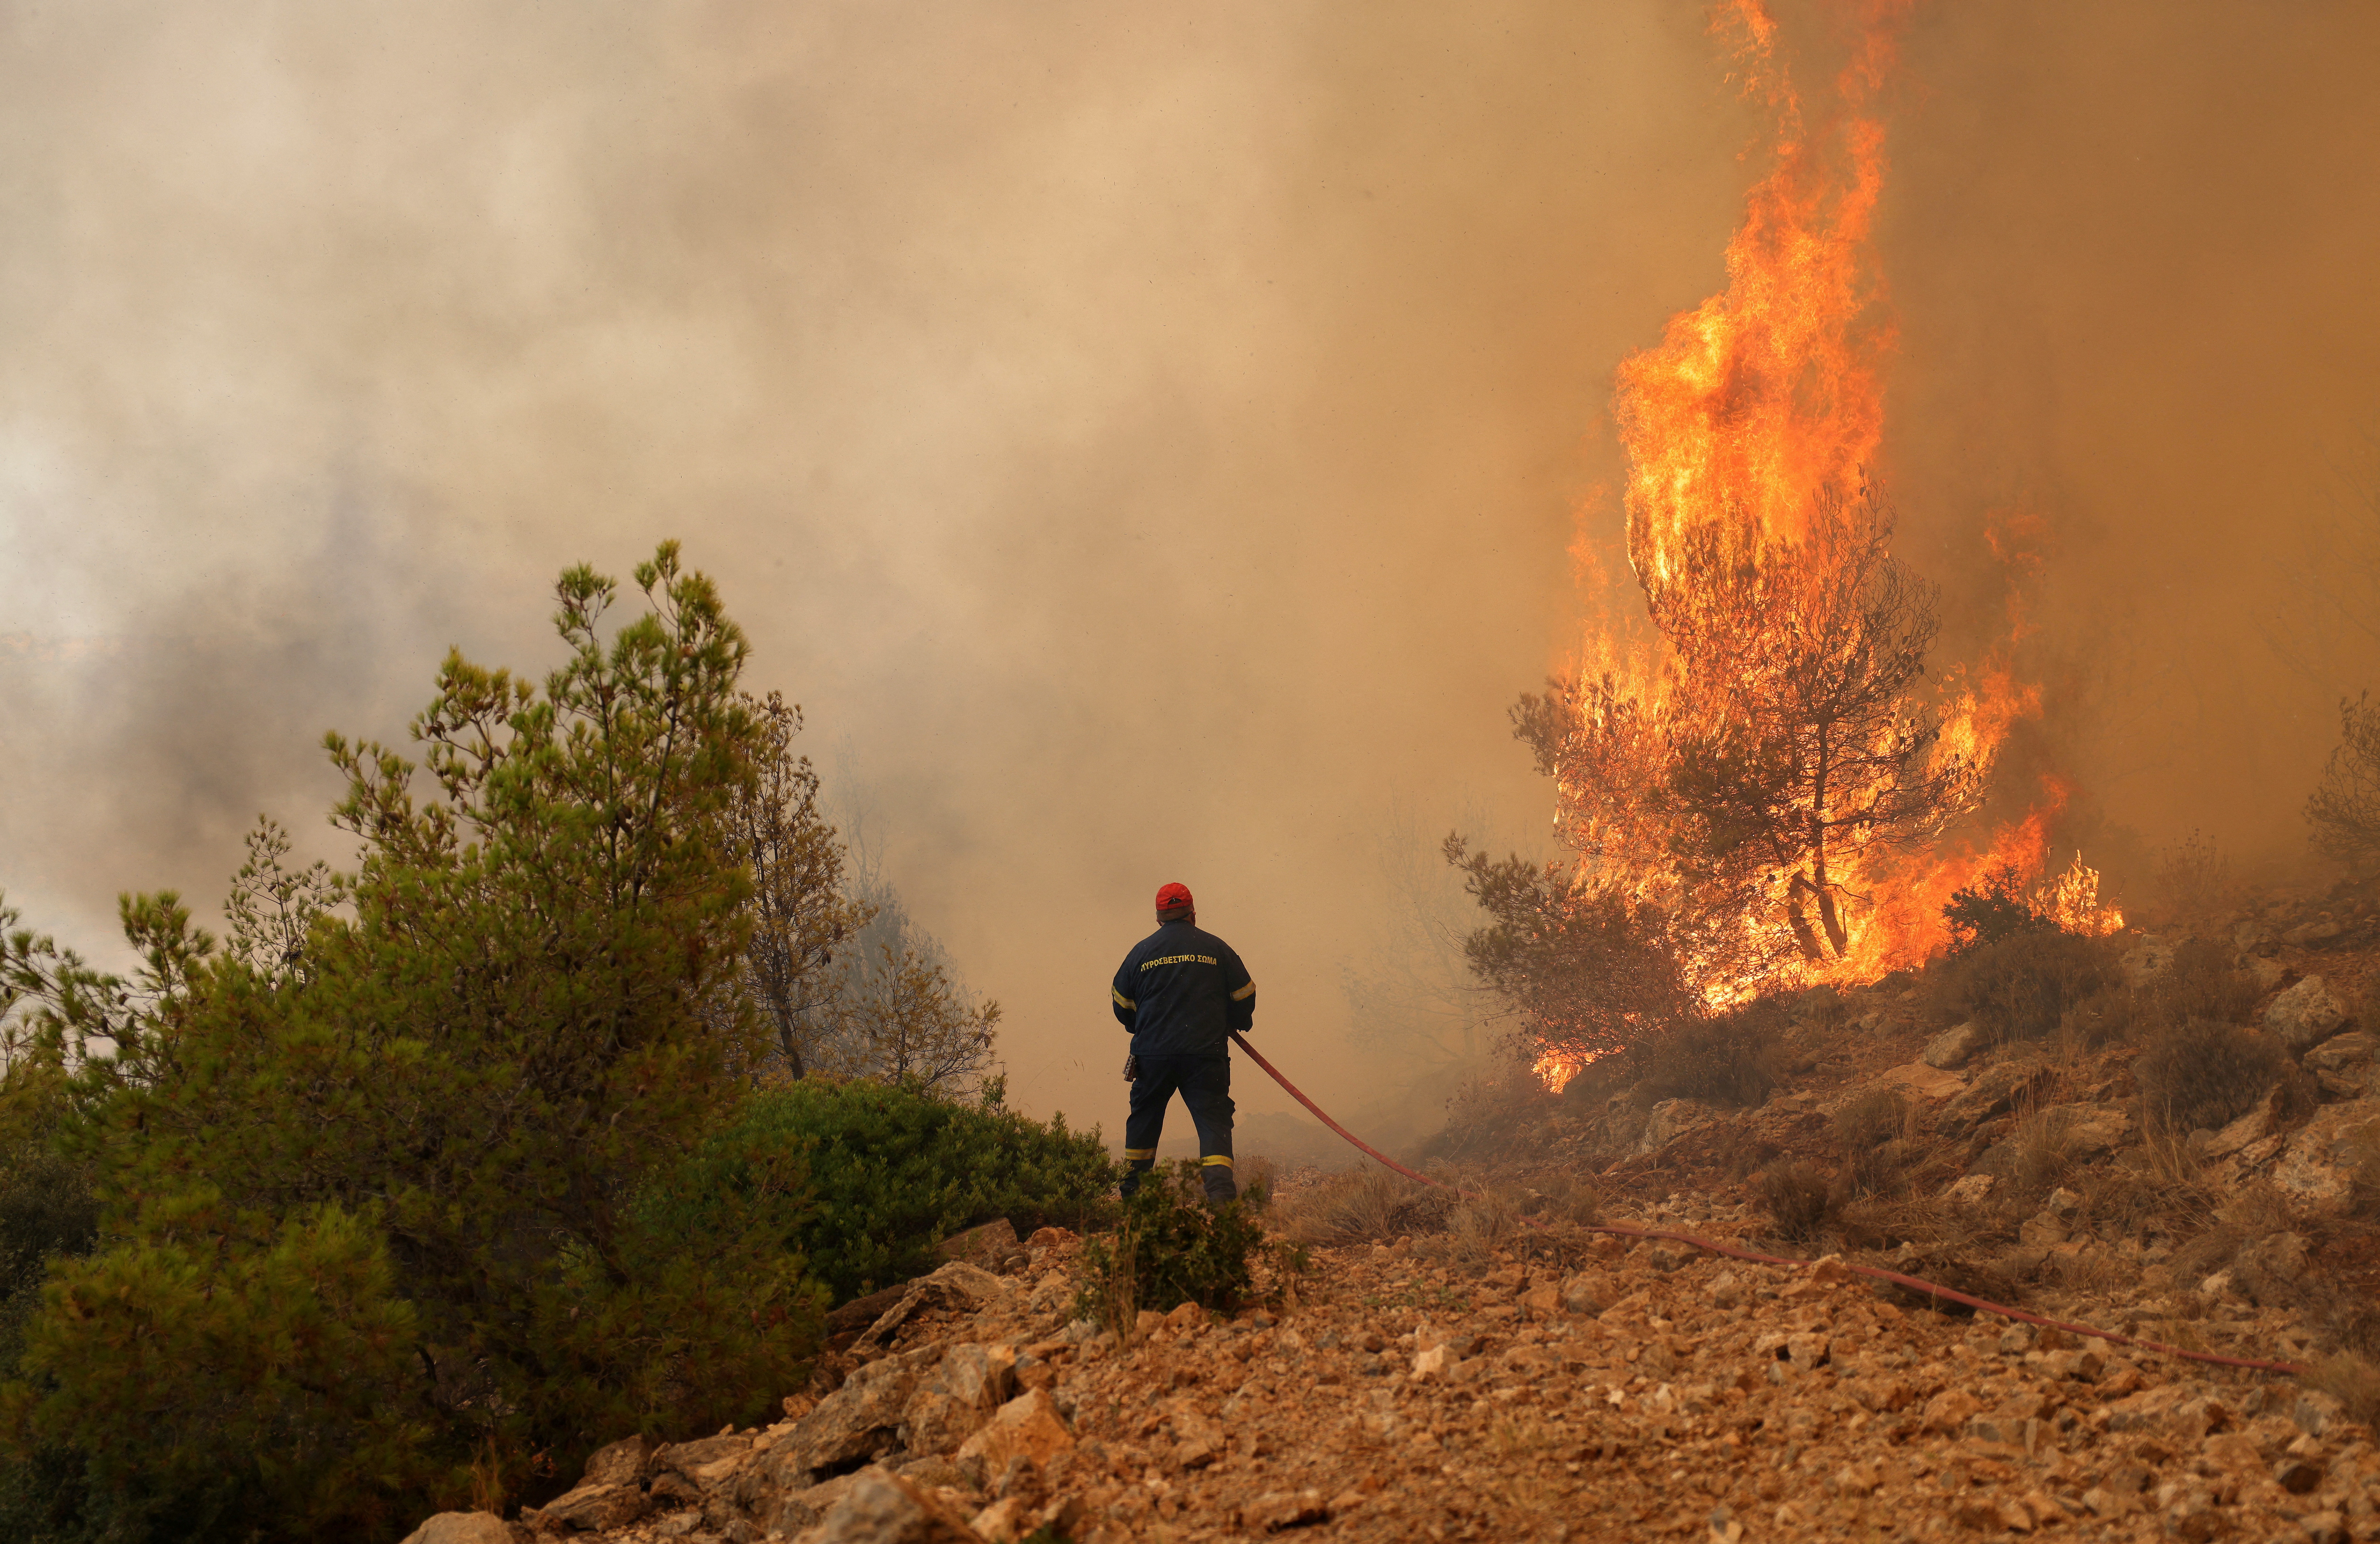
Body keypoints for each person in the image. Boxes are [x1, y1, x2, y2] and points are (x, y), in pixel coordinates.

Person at [1109, 881, 1255, 1202]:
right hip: (1205, 1055)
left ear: (1159, 919)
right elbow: (1245, 995)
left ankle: (1135, 1200)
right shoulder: (1217, 949)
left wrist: (1142, 1027)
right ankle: (1221, 1200)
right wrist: (1235, 1021)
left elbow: (1121, 1003)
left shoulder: (1141, 953)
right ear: (1193, 915)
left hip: (1153, 1056)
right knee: (1213, 1121)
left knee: (1144, 1121)